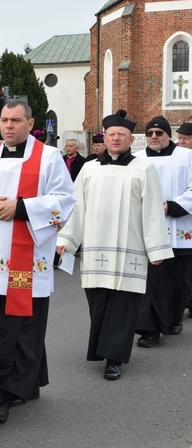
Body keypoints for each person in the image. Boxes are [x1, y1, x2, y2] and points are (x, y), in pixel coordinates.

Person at [0, 99, 76, 423]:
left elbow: (65, 200)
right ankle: (16, 386)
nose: (8, 126)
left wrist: (22, 208)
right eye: (4, 120)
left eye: (15, 120)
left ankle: (6, 395)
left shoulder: (49, 157)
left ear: (30, 123)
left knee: (26, 324)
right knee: (2, 324)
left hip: (29, 259)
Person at [57, 110, 173, 380]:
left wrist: (156, 249)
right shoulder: (88, 168)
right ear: (105, 139)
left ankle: (114, 359)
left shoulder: (144, 168)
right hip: (95, 249)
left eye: (122, 134)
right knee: (99, 304)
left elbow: (153, 210)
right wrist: (66, 240)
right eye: (112, 134)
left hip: (130, 250)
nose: (116, 138)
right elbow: (77, 208)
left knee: (122, 306)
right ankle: (101, 349)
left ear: (131, 139)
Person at [133, 116, 192, 346]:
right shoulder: (136, 160)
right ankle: (150, 329)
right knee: (150, 282)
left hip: (178, 228)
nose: (154, 137)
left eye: (159, 133)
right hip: (147, 229)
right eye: (150, 134)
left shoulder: (187, 157)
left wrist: (170, 206)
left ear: (169, 134)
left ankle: (173, 318)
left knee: (176, 281)